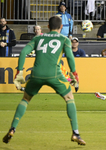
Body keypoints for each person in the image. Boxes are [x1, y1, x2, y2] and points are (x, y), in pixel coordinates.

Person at [2, 16, 86, 146]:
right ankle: (75, 133)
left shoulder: (37, 38)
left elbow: (23, 52)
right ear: (61, 27)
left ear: (48, 27)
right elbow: (69, 57)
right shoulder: (64, 39)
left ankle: (13, 128)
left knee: (25, 99)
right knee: (69, 98)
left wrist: (19, 71)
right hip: (54, 75)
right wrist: (74, 74)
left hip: (36, 75)